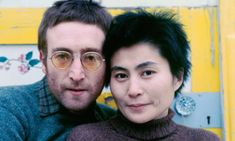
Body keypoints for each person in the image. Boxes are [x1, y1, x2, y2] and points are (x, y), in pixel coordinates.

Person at [67, 10, 220, 141]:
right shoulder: (86, 138)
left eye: (147, 73)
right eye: (121, 75)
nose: (133, 90)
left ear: (177, 78)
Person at [0, 0, 116, 140]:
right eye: (62, 56)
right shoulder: (9, 109)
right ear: (43, 61)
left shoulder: (112, 121)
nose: (76, 75)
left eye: (91, 58)